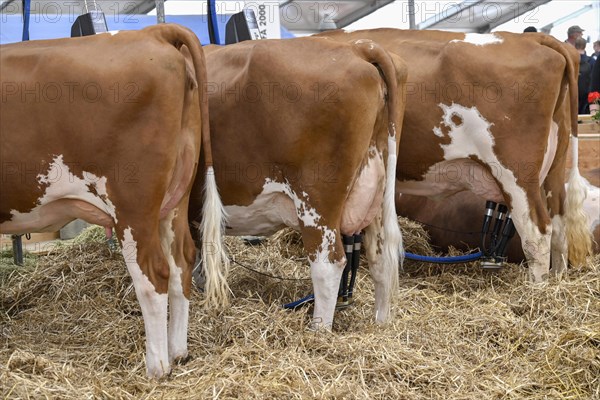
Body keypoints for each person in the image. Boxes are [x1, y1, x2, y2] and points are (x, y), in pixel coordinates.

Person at [575, 37, 593, 114]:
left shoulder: (570, 59)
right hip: (586, 91)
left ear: (575, 46)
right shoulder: (591, 61)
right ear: (585, 46)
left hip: (572, 90)